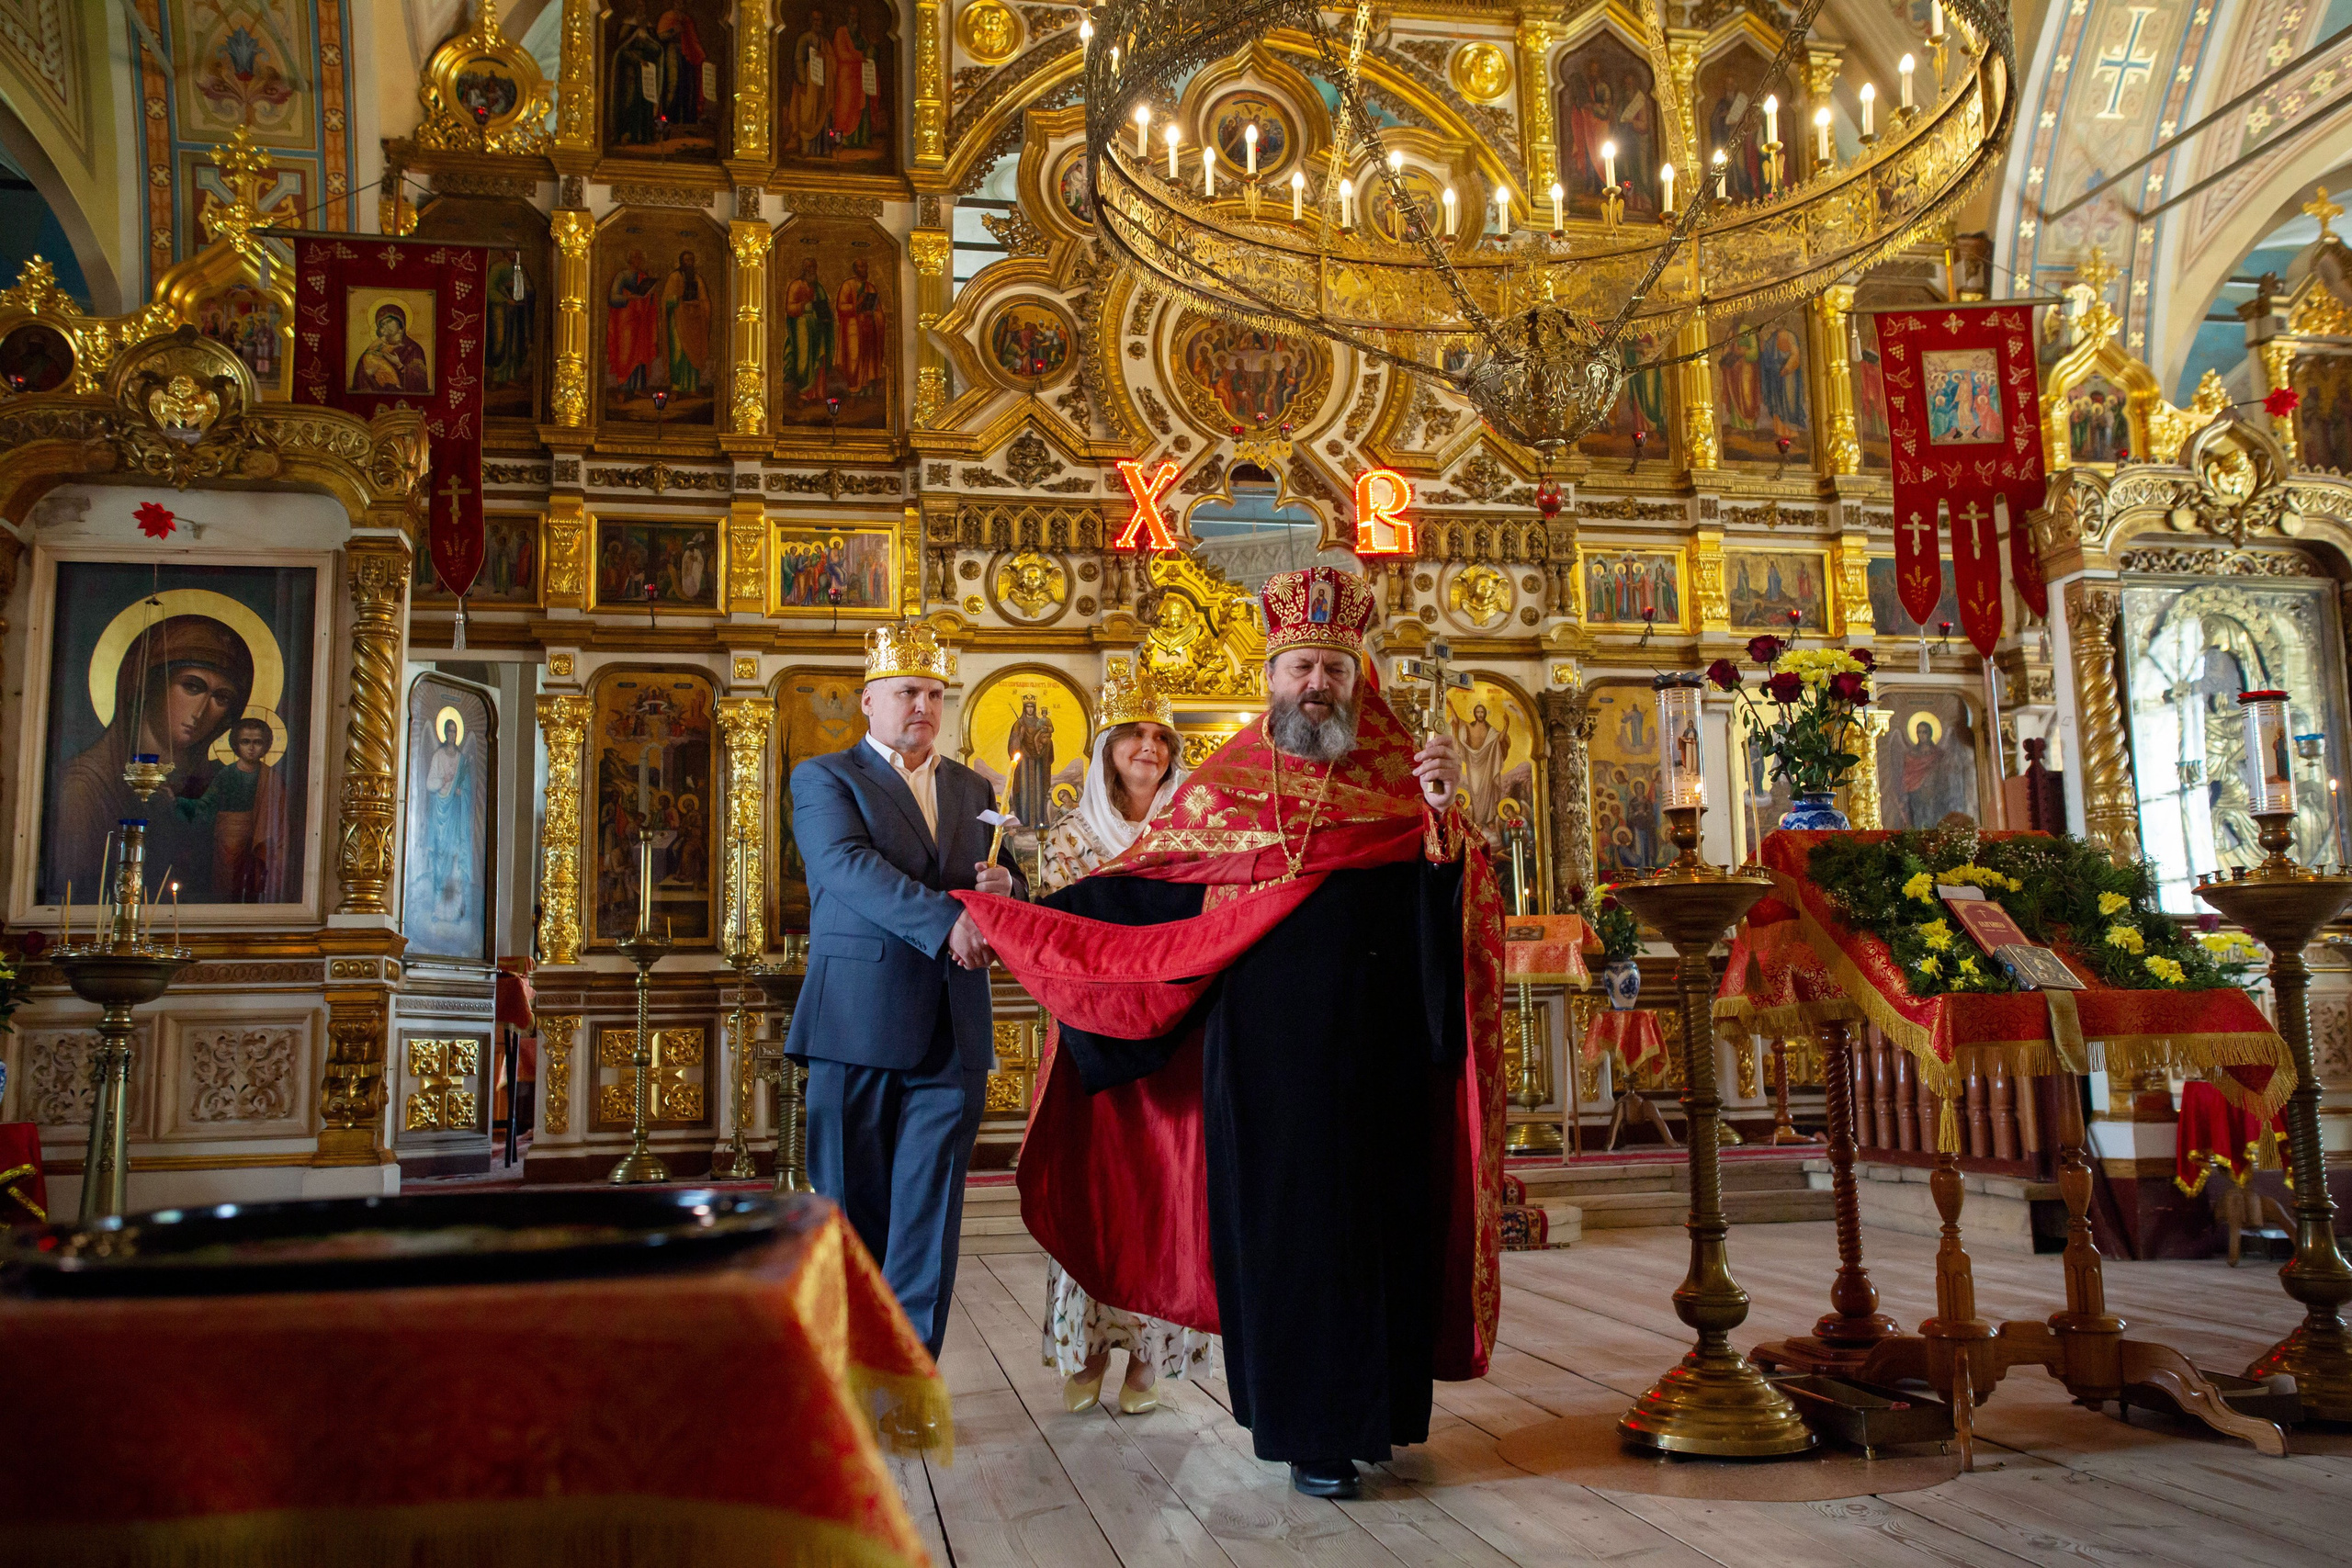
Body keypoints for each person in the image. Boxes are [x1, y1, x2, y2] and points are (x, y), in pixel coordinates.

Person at [958, 566, 1502, 1499]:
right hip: (1264, 1072)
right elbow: (1144, 895)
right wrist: (1013, 918)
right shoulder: (1222, 790)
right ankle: (1309, 1436)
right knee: (1289, 1239)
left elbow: (1450, 916)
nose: (1314, 686)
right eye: (1298, 669)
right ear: (1272, 679)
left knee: (1383, 1233)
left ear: (1356, 677)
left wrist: (1449, 824)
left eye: (1331, 668)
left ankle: (1375, 1417)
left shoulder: (1406, 783)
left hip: (1384, 1063)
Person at [786, 622, 1025, 1360]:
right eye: (906, 692)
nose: (922, 704)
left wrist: (1005, 884)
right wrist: (950, 918)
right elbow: (846, 867)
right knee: (852, 1213)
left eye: (932, 692)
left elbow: (1007, 874)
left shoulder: (974, 786)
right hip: (854, 1024)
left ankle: (910, 1371)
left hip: (953, 1029)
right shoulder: (826, 778)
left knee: (930, 1212)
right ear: (870, 701)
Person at [1030, 662, 1210, 1415]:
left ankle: (1147, 1358)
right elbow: (1061, 937)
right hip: (1091, 1041)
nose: (1149, 746)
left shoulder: (1198, 832)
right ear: (1108, 747)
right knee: (1097, 1188)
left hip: (1175, 1041)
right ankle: (1089, 1349)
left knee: (1164, 1194)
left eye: (1160, 736)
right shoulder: (1071, 839)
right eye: (1134, 734)